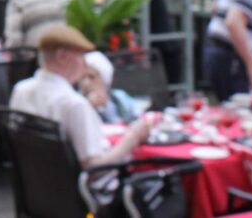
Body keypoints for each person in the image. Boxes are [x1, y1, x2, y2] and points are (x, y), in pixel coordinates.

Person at [9, 26, 151, 167]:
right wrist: (132, 138)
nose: (84, 64)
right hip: (81, 186)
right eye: (81, 56)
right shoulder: (74, 104)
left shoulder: (21, 90)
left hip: (37, 182)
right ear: (62, 56)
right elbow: (95, 168)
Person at [3, 0, 67, 49]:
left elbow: (14, 37)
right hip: (60, 47)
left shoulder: (17, 3)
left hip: (35, 51)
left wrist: (9, 51)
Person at [79, 51, 139, 123]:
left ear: (105, 79)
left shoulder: (119, 97)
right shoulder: (77, 101)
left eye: (92, 77)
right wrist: (88, 106)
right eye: (82, 77)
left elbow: (136, 117)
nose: (85, 83)